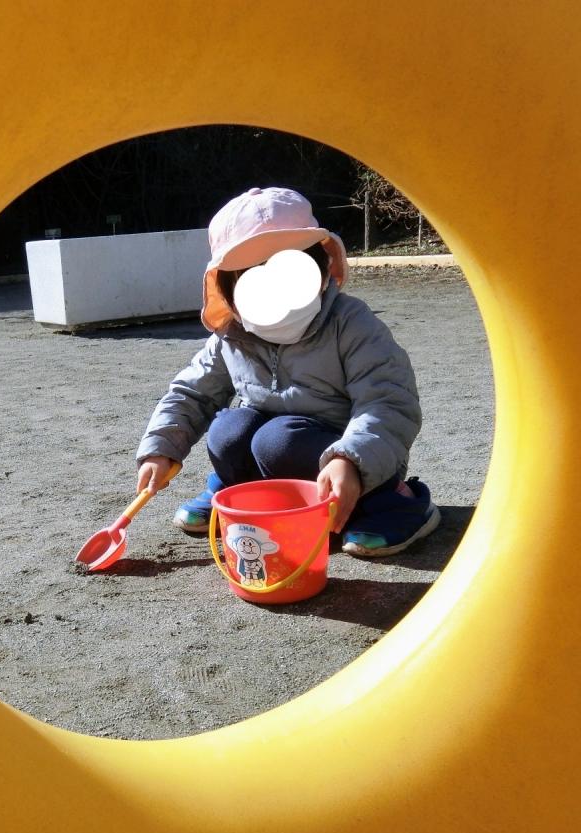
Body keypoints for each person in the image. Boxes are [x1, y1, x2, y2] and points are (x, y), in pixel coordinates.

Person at [136, 186, 440, 557]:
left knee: (277, 439)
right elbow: (192, 393)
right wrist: (160, 448)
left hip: (357, 460)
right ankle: (239, 490)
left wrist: (350, 460)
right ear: (230, 290)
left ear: (320, 267)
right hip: (280, 454)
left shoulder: (351, 324)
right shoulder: (232, 336)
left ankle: (392, 502)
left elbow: (387, 401)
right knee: (229, 431)